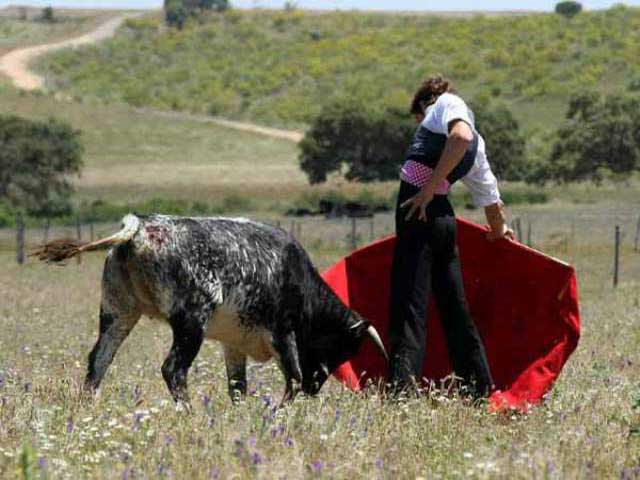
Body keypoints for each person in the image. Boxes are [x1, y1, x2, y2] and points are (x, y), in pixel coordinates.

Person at [387, 75, 514, 398]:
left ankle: (402, 393)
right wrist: (499, 231)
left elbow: (459, 135)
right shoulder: (479, 148)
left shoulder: (445, 104)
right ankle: (478, 388)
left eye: (419, 121)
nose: (421, 127)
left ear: (423, 106)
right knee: (454, 308)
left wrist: (428, 189)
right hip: (442, 219)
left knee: (409, 305)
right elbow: (491, 200)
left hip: (420, 211)